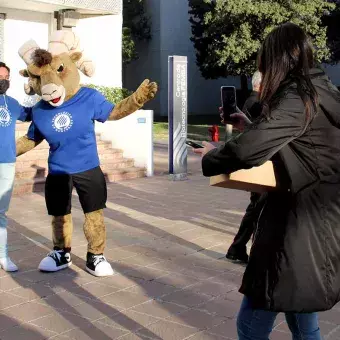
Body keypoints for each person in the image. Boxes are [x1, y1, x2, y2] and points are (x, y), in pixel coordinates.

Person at [195, 22, 340, 339]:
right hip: (316, 224)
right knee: (304, 322)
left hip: (295, 229)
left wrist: (212, 156)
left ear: (280, 59)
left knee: (251, 324)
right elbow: (298, 146)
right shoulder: (323, 91)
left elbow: (248, 152)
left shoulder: (298, 96)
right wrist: (251, 124)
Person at [224, 71, 264, 263]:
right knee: (257, 208)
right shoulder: (257, 104)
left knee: (255, 207)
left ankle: (237, 248)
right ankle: (238, 247)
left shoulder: (250, 102)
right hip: (258, 162)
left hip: (251, 160)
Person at [0, 62, 32, 272]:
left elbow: (30, 114)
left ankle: (3, 256)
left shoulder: (11, 103)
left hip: (6, 162)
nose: (3, 80)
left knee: (1, 211)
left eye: (6, 77)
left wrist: (41, 91)